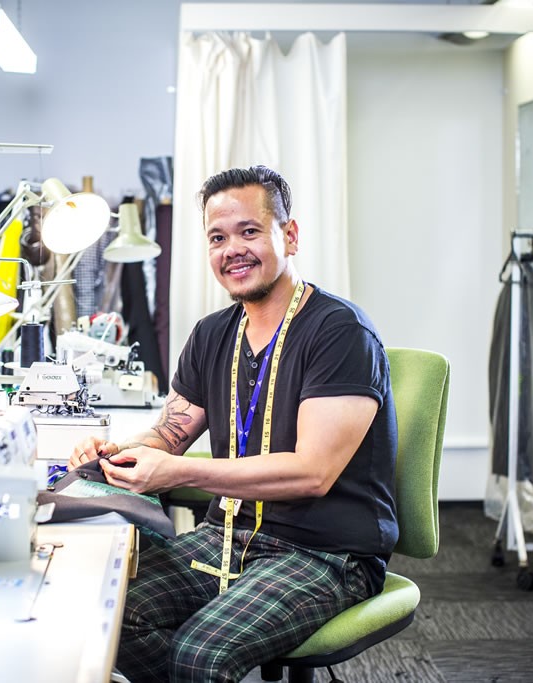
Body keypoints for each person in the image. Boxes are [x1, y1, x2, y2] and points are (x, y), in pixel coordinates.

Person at [69, 165, 398, 683]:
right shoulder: (213, 334)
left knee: (200, 656)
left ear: (289, 235)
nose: (232, 250)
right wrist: (116, 452)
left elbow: (312, 473)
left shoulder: (340, 332)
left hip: (325, 553)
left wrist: (178, 473)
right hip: (229, 535)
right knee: (107, 608)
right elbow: (170, 433)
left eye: (249, 231)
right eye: (217, 238)